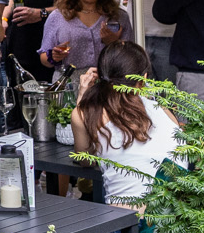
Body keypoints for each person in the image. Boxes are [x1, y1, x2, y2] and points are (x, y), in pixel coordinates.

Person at [71, 41, 184, 205]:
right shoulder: (162, 110)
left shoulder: (85, 113)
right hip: (177, 218)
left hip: (129, 223)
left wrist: (82, 98)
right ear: (143, 78)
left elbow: (86, 160)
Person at [39, 0, 127, 74]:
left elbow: (131, 59)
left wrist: (114, 44)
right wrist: (53, 56)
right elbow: (44, 58)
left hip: (107, 85)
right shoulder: (58, 16)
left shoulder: (118, 16)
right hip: (69, 86)